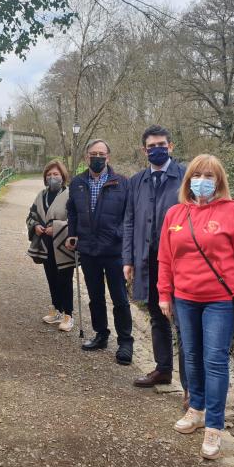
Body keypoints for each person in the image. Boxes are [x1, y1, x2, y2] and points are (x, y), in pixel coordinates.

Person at [157, 154, 234, 460]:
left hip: (219, 300)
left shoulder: (233, 212)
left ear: (219, 181)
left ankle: (215, 425)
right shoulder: (175, 214)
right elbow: (165, 258)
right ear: (188, 180)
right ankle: (196, 409)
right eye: (197, 174)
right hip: (185, 298)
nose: (203, 180)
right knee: (190, 356)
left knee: (214, 360)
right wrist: (164, 294)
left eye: (210, 176)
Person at [122, 125, 188, 401]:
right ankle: (163, 369)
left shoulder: (186, 176)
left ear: (171, 146)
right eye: (151, 146)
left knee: (184, 324)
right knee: (157, 317)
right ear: (144, 150)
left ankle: (190, 389)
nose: (157, 149)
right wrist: (128, 259)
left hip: (180, 264)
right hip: (147, 262)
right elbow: (129, 221)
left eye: (162, 144)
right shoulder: (137, 181)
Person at [65, 140, 134, 365]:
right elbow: (72, 212)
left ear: (108, 157)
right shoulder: (77, 183)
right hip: (88, 251)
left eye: (101, 154)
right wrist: (72, 233)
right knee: (95, 296)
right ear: (87, 157)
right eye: (93, 153)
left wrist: (119, 233)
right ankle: (101, 334)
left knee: (119, 298)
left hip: (114, 251)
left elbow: (129, 215)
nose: (97, 157)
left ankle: (125, 342)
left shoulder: (122, 183)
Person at [27, 160, 75, 332]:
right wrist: (35, 227)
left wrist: (56, 228)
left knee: (65, 279)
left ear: (62, 176)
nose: (52, 177)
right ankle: (56, 310)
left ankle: (69, 314)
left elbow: (76, 221)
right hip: (45, 245)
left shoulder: (71, 194)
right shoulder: (41, 195)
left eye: (55, 174)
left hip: (63, 245)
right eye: (49, 175)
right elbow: (31, 216)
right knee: (51, 278)